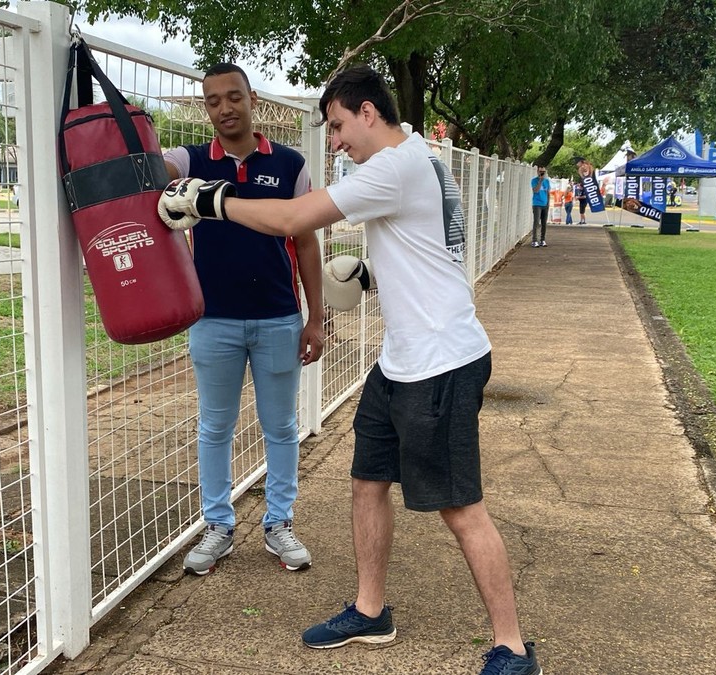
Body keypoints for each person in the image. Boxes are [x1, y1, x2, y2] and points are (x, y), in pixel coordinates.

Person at [158, 64, 542, 675]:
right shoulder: (418, 159)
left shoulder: (393, 167)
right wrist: (369, 277)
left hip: (440, 362)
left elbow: (290, 220)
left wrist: (211, 199)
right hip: (401, 361)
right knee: (367, 481)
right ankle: (370, 610)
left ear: (368, 113)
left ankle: (512, 647)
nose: (334, 141)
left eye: (337, 126)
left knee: (460, 507)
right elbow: (434, 250)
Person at [162, 63, 325, 576]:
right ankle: (218, 526)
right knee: (215, 427)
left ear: (252, 99)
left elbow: (306, 241)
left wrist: (314, 317)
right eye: (213, 101)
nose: (225, 108)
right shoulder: (187, 162)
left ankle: (279, 524)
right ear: (205, 108)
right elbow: (143, 165)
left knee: (281, 428)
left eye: (234, 97)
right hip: (213, 321)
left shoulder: (291, 163)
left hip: (278, 318)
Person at [530, 165, 551, 247]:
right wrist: (540, 181)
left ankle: (543, 239)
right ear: (537, 172)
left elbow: (548, 192)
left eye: (543, 172)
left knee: (544, 223)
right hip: (537, 204)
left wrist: (548, 203)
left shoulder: (547, 181)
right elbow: (535, 190)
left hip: (545, 204)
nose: (542, 173)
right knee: (536, 222)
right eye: (540, 171)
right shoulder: (534, 180)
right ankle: (534, 240)